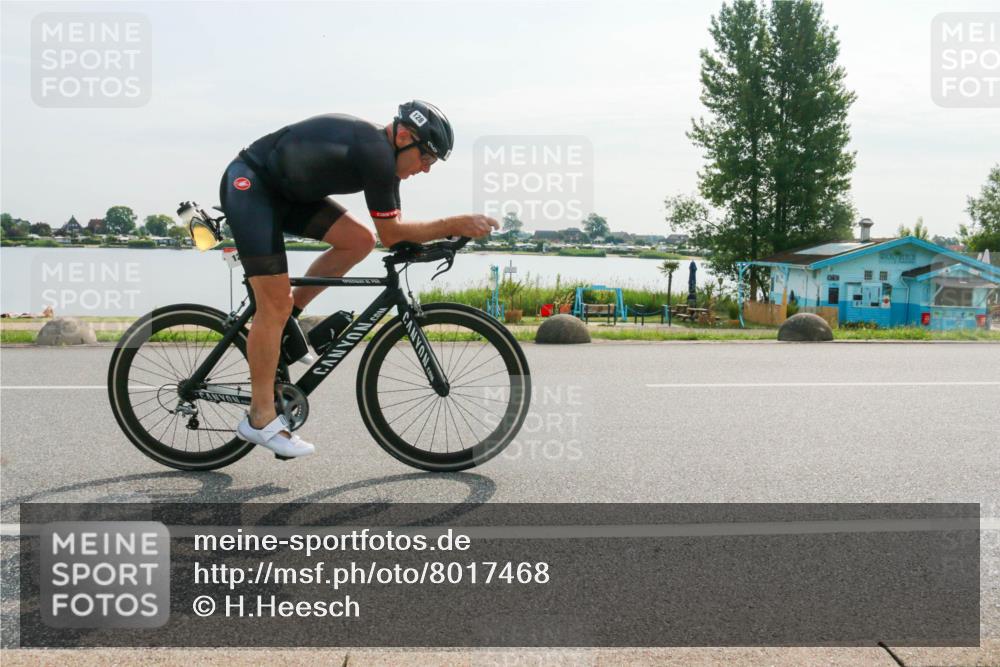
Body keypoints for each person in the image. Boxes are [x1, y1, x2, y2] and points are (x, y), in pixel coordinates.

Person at [219, 101, 498, 460]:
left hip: (285, 195)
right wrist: (454, 224)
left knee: (359, 240)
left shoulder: (387, 160)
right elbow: (393, 233)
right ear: (403, 136)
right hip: (251, 185)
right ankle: (260, 418)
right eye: (427, 157)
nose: (427, 169)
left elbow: (390, 235)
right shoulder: (375, 153)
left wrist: (438, 240)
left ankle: (288, 321)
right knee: (273, 304)